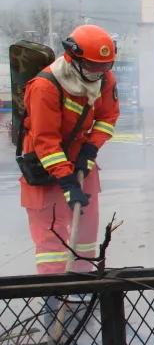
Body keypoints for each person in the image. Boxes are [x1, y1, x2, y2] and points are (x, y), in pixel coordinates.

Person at [19, 25, 120, 274]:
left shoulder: (104, 78)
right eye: (92, 67)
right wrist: (66, 181)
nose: (98, 73)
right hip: (45, 167)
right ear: (73, 57)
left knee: (85, 237)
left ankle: (82, 293)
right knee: (52, 240)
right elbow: (45, 140)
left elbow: (108, 117)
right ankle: (53, 298)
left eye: (103, 67)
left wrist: (90, 150)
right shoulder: (45, 86)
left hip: (81, 164)